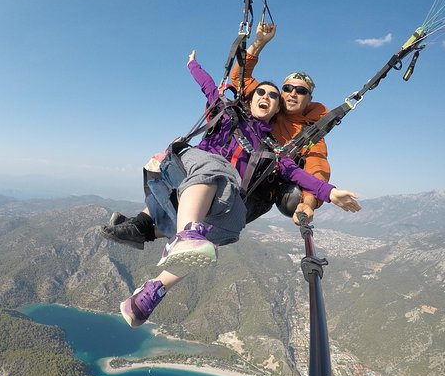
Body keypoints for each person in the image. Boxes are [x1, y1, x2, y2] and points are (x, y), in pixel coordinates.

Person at [116, 51, 361, 328]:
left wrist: (328, 192)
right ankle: (164, 230)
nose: (267, 97)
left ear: (276, 108)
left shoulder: (274, 149)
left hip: (223, 192)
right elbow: (212, 86)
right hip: (195, 167)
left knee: (220, 230)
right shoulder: (229, 113)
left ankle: (149, 296)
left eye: (274, 97)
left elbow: (301, 172)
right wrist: (193, 64)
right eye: (264, 92)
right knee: (215, 171)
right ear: (252, 97)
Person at [231, 22, 330, 224]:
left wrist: (308, 203)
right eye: (288, 88)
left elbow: (317, 168)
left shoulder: (309, 133)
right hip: (234, 167)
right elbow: (239, 77)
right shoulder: (268, 103)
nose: (293, 93)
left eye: (301, 91)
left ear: (309, 99)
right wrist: (259, 43)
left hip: (259, 189)